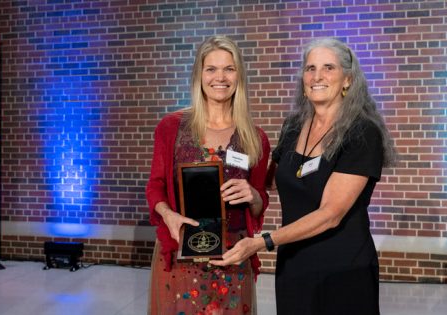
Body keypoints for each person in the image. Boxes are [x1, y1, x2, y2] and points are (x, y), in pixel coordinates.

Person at [210, 37, 396, 315]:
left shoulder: (362, 132)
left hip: (344, 270)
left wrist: (263, 241)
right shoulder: (294, 126)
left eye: (328, 68)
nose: (317, 76)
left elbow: (331, 213)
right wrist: (222, 156)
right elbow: (272, 180)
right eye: (310, 68)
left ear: (347, 80)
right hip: (294, 265)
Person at [146, 35, 271, 315]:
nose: (220, 77)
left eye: (229, 68)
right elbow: (155, 187)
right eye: (211, 69)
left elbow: (261, 201)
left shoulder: (255, 138)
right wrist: (169, 216)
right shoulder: (171, 128)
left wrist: (253, 195)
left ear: (239, 76)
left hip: (233, 256)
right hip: (181, 255)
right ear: (199, 75)